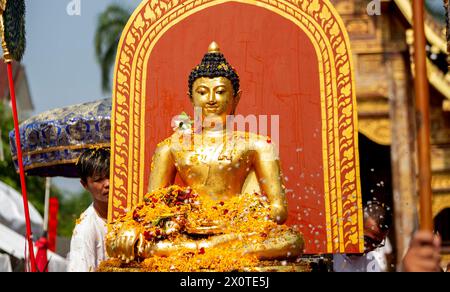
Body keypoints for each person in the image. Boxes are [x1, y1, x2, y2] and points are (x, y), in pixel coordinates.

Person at [106, 42, 303, 263]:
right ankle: (207, 248)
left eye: (220, 92)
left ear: (236, 97)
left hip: (238, 232)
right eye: (202, 92)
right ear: (191, 97)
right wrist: (179, 220)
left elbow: (278, 210)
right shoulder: (171, 147)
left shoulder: (258, 145)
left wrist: (236, 221)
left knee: (291, 240)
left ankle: (201, 250)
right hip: (188, 232)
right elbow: (152, 207)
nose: (211, 99)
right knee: (116, 241)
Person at [67, 148, 110, 272]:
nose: (107, 183)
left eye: (110, 176)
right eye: (98, 179)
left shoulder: (132, 213)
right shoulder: (85, 228)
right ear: (85, 185)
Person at [333, 200, 393, 272]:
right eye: (367, 240)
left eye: (376, 244)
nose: (370, 248)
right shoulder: (329, 251)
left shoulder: (371, 264)